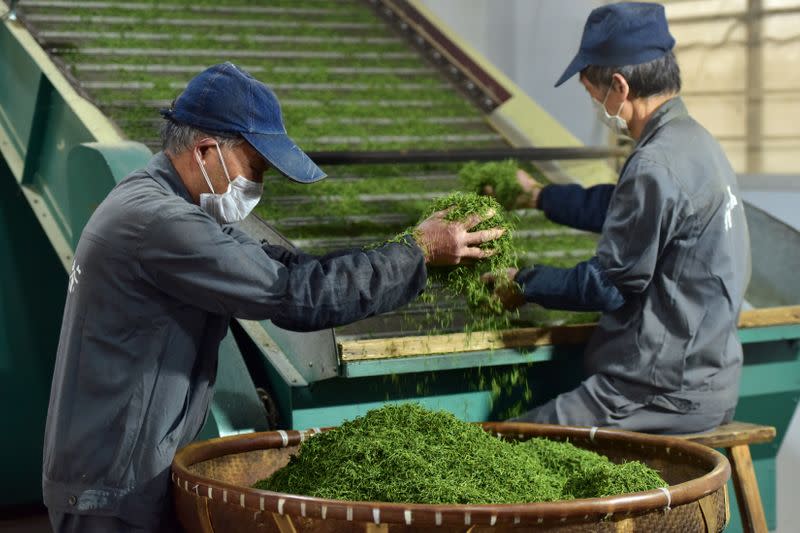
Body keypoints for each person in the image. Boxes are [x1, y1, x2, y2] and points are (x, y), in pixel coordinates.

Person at [42, 62, 504, 532]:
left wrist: (407, 249)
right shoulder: (164, 223)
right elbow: (298, 297)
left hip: (119, 470)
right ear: (206, 150)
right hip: (110, 485)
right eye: (256, 168)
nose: (257, 187)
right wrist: (419, 251)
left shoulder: (171, 206)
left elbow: (290, 268)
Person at [484, 3, 750, 434]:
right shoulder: (695, 144)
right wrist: (538, 196)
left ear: (620, 87)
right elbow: (624, 209)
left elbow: (607, 284)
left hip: (655, 394)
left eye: (592, 93)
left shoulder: (656, 164)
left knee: (506, 448)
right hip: (707, 379)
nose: (596, 104)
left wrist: (524, 283)